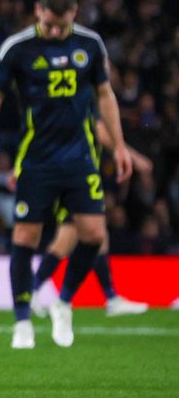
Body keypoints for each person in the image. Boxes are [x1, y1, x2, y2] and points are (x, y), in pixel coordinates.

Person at [0, 0, 133, 349]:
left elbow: (105, 96)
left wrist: (120, 146)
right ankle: (22, 321)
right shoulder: (19, 47)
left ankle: (63, 301)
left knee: (92, 233)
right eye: (49, 24)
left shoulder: (90, 44)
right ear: (38, 11)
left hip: (80, 158)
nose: (55, 32)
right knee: (25, 237)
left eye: (62, 25)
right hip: (37, 159)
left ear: (74, 14)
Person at [29, 121, 151, 317]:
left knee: (97, 238)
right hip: (74, 181)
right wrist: (134, 157)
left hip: (76, 179)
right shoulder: (85, 101)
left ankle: (110, 298)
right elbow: (102, 132)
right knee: (67, 240)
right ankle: (34, 291)